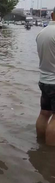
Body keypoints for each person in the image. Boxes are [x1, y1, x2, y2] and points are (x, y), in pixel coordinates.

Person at [36, 8, 55, 145]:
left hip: (44, 80)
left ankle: (40, 144)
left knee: (44, 113)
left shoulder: (42, 33)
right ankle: (50, 153)